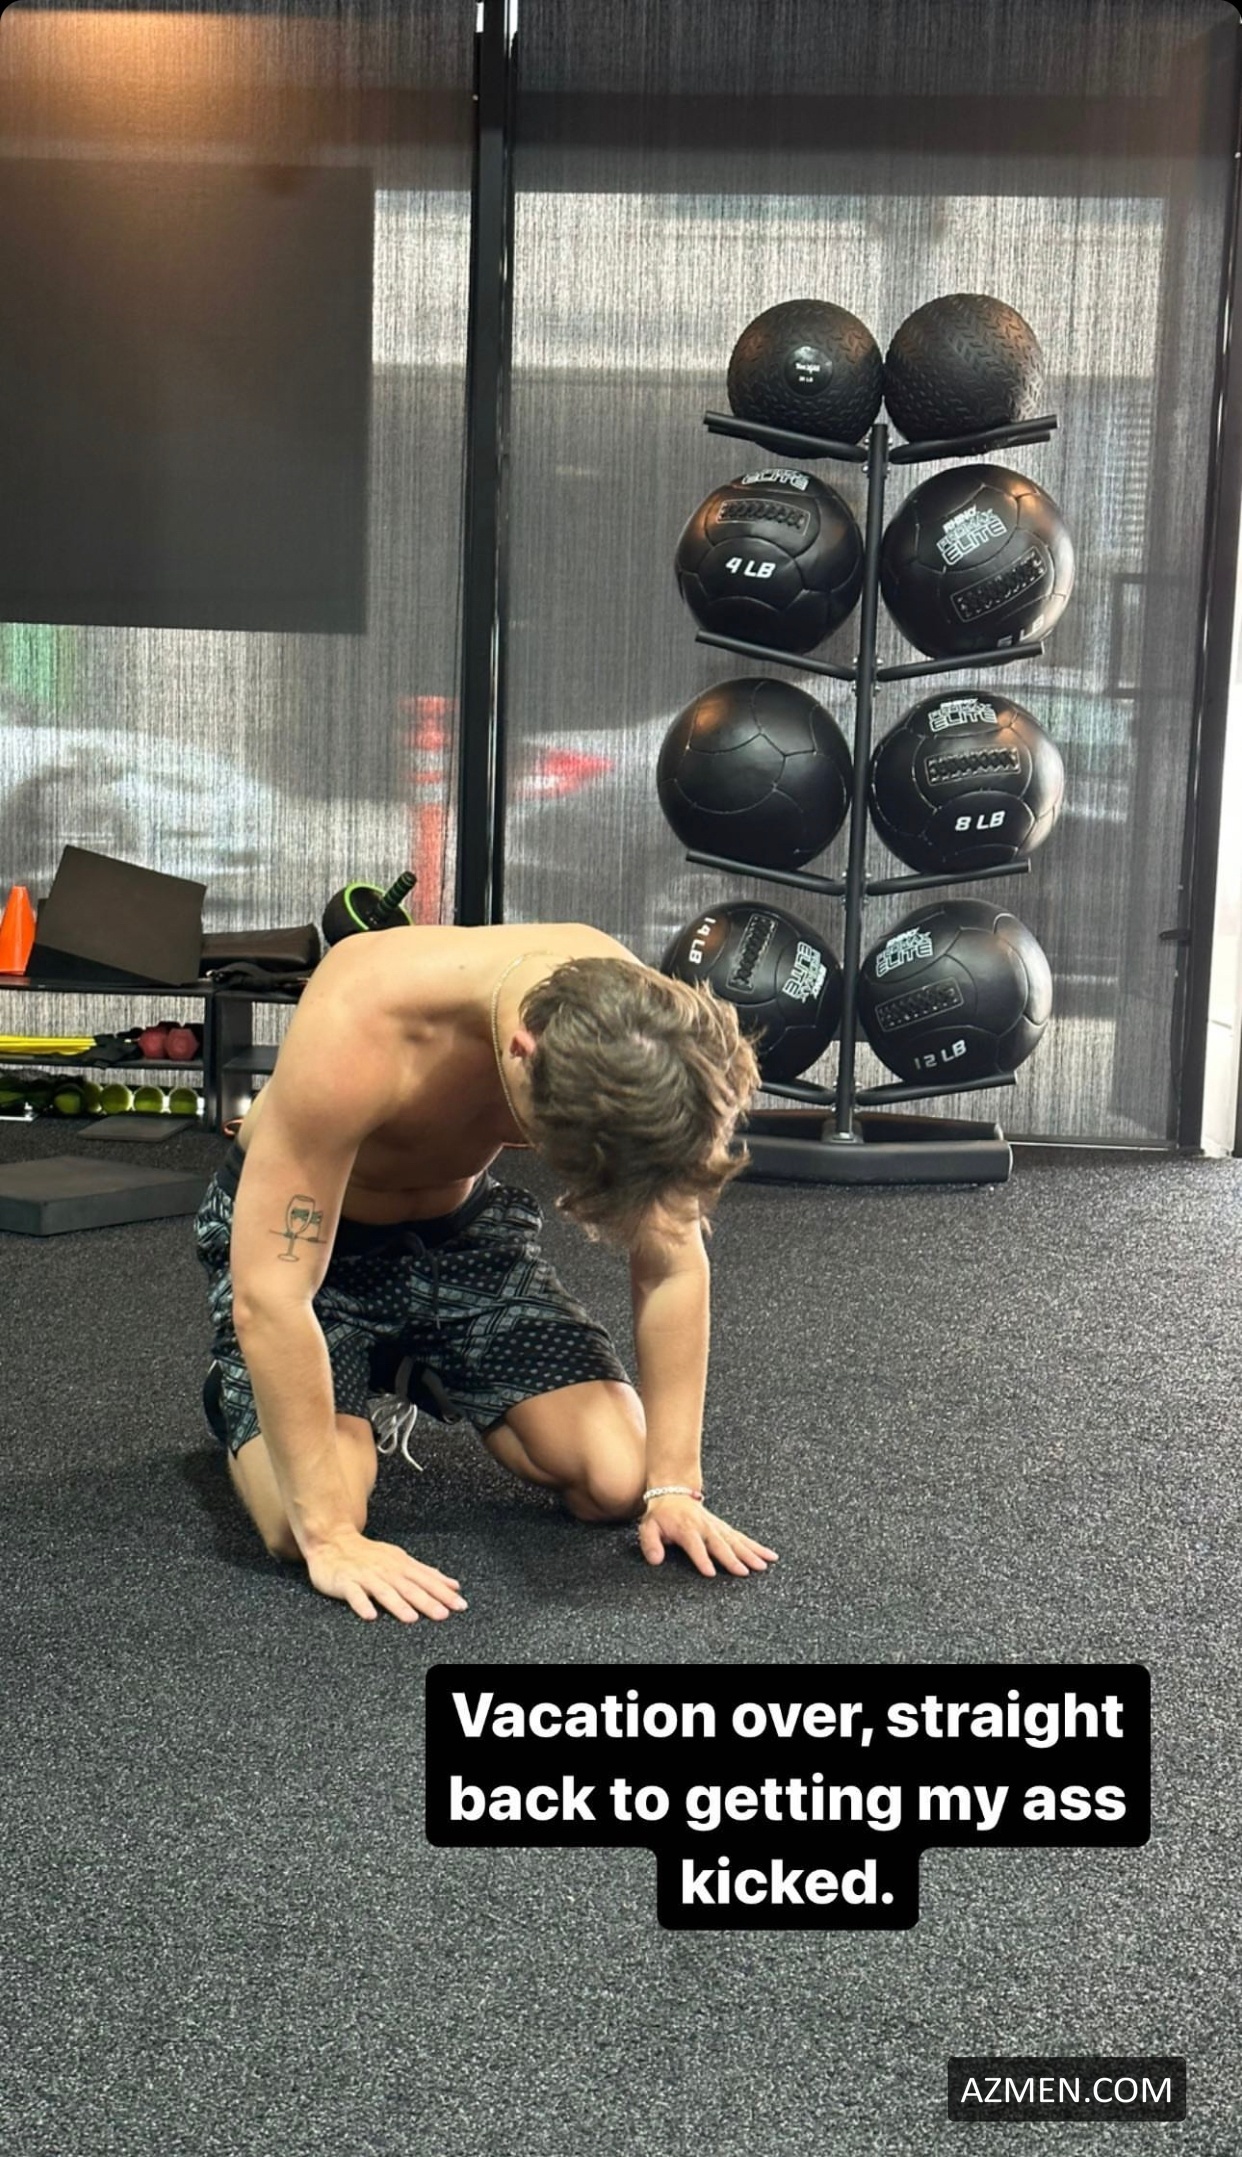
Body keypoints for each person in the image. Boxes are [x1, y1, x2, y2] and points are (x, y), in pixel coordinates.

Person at [193, 920, 777, 1624]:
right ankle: (246, 1380)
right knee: (304, 1523)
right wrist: (333, 1540)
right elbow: (274, 1294)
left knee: (620, 1480)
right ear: (521, 1049)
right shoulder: (362, 1019)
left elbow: (673, 1265)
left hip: (461, 1242)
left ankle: (413, 1364)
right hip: (310, 1257)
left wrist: (676, 1486)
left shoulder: (647, 1034)